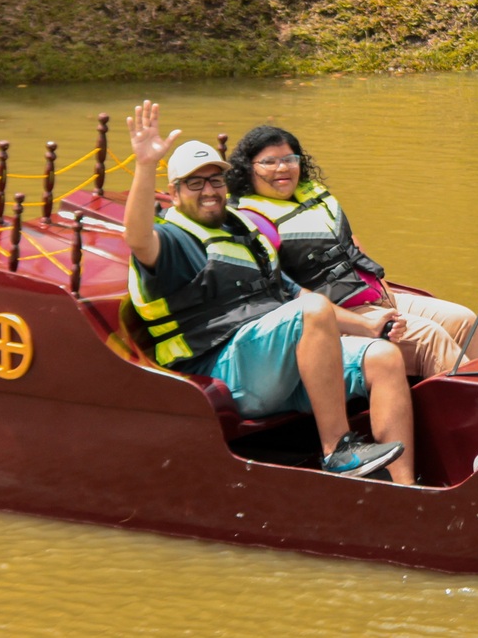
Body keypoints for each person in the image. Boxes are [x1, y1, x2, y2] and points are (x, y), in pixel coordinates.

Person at [123, 100, 416, 484]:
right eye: (195, 183)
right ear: (174, 193)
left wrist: (370, 327)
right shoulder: (172, 240)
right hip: (224, 373)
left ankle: (406, 491)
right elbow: (137, 236)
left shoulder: (244, 233)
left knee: (382, 357)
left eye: (215, 180)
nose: (208, 191)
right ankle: (337, 450)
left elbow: (293, 294)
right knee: (312, 309)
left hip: (278, 365)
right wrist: (144, 165)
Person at [226, 125, 478, 380]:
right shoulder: (254, 221)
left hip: (377, 296)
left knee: (464, 319)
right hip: (342, 317)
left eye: (289, 159)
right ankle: (477, 409)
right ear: (248, 170)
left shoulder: (311, 198)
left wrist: (384, 289)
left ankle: (476, 393)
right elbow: (284, 294)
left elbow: (351, 244)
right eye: (269, 162)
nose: (282, 168)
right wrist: (360, 320)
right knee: (430, 336)